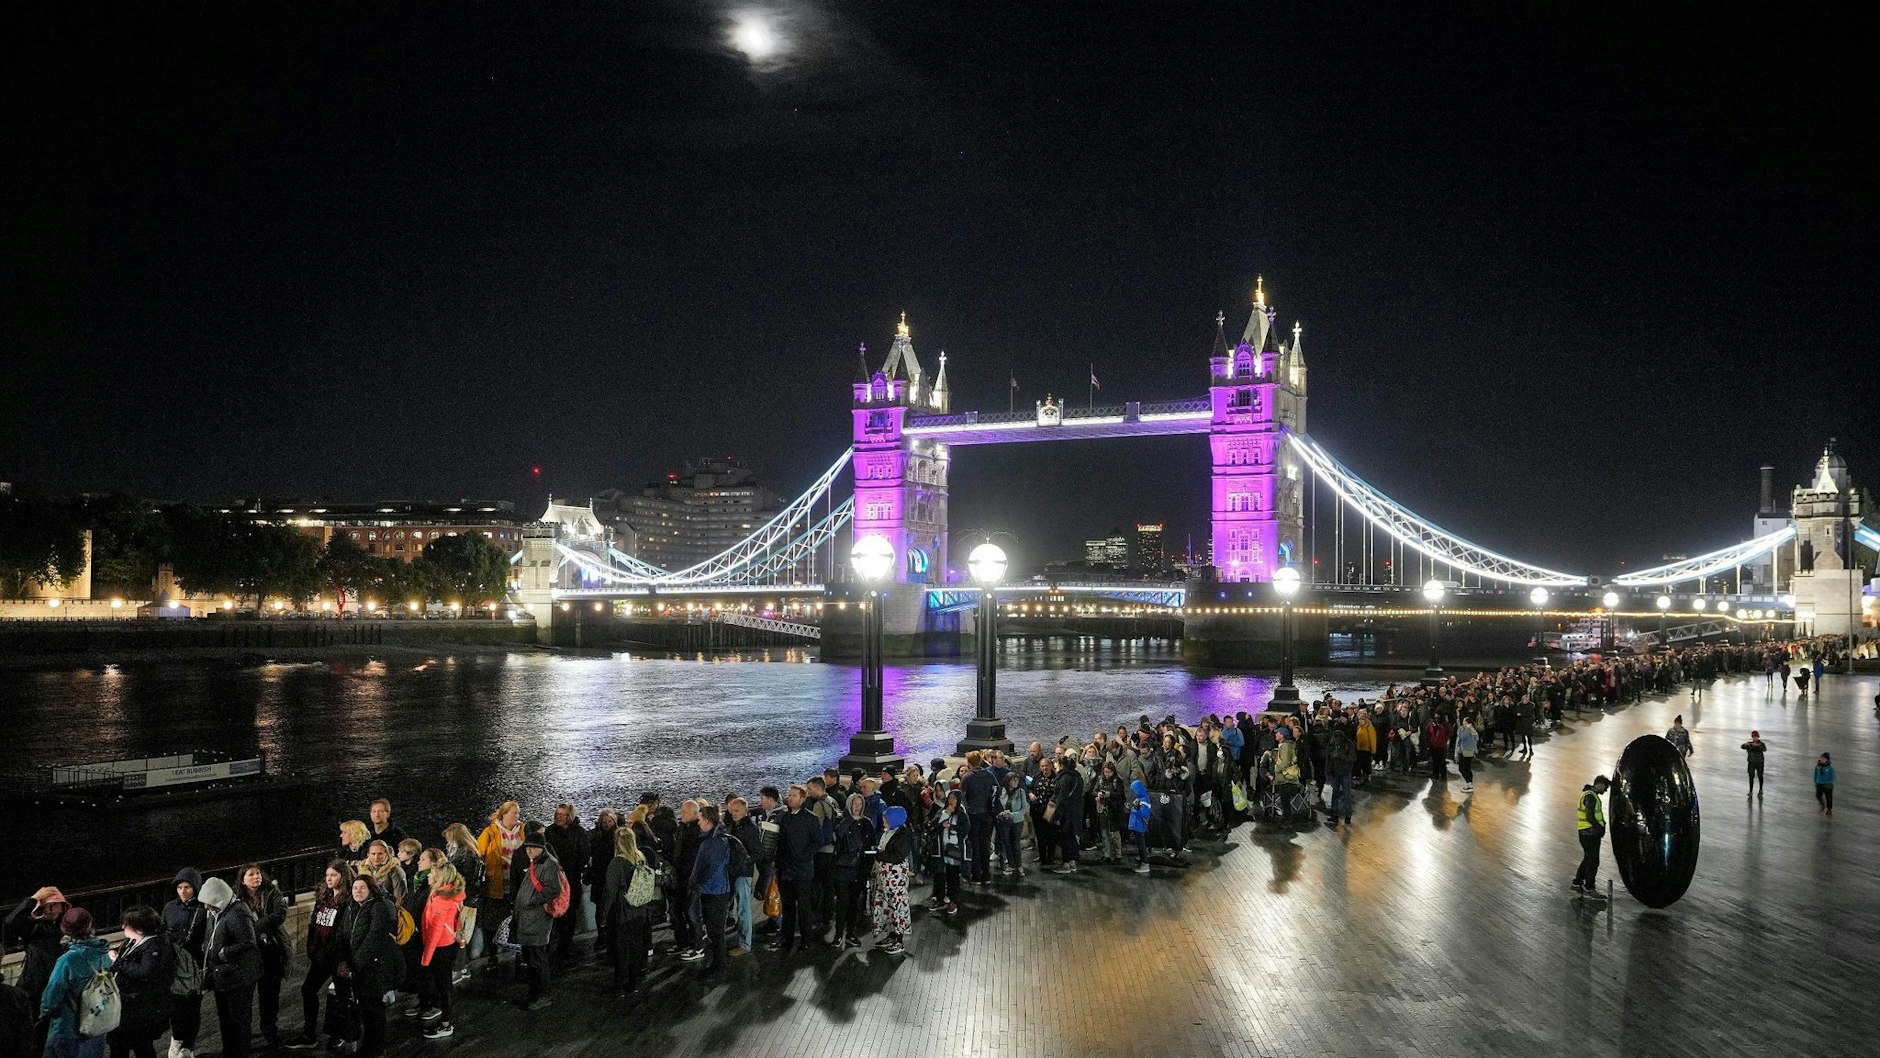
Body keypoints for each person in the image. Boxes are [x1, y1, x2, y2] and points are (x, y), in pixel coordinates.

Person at [282, 862, 353, 1052]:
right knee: (308, 990)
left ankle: (339, 1035)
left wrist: (343, 958)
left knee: (341, 995)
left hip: (339, 957)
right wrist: (312, 948)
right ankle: (309, 1034)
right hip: (321, 955)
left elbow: (344, 931)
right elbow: (315, 923)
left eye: (334, 875)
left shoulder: (349, 901)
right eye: (327, 875)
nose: (329, 879)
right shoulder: (324, 896)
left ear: (343, 877)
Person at [199, 876, 262, 1058]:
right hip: (223, 977)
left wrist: (222, 953)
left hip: (239, 978)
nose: (206, 908)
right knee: (226, 1019)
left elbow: (248, 943)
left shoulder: (238, 913)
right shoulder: (216, 911)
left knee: (238, 1020)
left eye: (209, 903)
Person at [39, 908, 114, 1058]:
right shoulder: (103, 952)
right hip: (96, 1025)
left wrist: (44, 1013)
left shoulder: (68, 960)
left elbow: (52, 994)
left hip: (68, 1028)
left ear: (65, 929)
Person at [337, 876, 398, 1057]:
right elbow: (342, 935)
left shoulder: (379, 907)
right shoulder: (351, 908)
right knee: (364, 1008)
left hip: (373, 967)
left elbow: (373, 938)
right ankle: (368, 1046)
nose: (357, 891)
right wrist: (343, 961)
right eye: (355, 888)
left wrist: (353, 964)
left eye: (362, 888)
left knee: (374, 1009)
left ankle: (377, 1048)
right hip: (356, 968)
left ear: (371, 889)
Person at [5, 884, 67, 1052]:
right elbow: (11, 921)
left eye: (57, 905)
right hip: (33, 985)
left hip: (55, 986)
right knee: (31, 1030)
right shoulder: (34, 927)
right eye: (50, 906)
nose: (54, 910)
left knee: (48, 1033)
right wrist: (33, 899)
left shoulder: (64, 927)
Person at [108, 906, 175, 1058]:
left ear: (139, 928)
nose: (123, 927)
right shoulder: (132, 942)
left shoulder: (156, 946)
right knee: (119, 1046)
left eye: (127, 924)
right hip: (126, 1006)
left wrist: (119, 962)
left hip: (140, 1009)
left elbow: (145, 972)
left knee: (141, 1046)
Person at [597, 827, 657, 996]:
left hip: (622, 912)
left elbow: (610, 891)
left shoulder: (617, 862)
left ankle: (619, 987)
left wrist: (603, 916)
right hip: (639, 910)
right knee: (636, 947)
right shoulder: (640, 857)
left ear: (617, 843)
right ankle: (634, 982)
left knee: (620, 950)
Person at [414, 850, 465, 1039]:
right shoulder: (446, 894)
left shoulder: (441, 900)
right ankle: (445, 1020)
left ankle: (446, 1024)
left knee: (444, 986)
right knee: (444, 985)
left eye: (432, 874)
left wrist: (425, 959)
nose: (428, 876)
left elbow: (435, 931)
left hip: (441, 948)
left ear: (439, 878)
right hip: (446, 946)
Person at [235, 865, 288, 1049]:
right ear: (243, 880)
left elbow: (279, 914)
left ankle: (270, 1030)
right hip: (248, 953)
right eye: (251, 874)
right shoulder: (237, 897)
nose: (256, 877)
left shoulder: (272, 891)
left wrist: (254, 927)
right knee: (245, 997)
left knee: (270, 995)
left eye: (258, 873)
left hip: (270, 950)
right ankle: (245, 1035)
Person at [161, 868, 209, 1058]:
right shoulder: (170, 907)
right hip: (176, 965)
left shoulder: (203, 908)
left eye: (187, 887)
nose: (182, 891)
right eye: (180, 887)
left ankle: (188, 1046)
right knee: (176, 1005)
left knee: (193, 1006)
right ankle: (177, 1039)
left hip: (196, 964)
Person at [511, 832, 563, 1009]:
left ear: (541, 848)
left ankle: (543, 995)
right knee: (532, 959)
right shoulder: (537, 862)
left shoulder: (548, 865)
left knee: (538, 959)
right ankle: (534, 993)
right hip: (528, 918)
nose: (528, 850)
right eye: (527, 847)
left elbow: (553, 889)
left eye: (532, 847)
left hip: (537, 918)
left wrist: (533, 902)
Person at [770, 785, 821, 953]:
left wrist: (804, 856)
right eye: (789, 795)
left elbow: (817, 842)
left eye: (793, 795)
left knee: (804, 908)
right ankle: (787, 937)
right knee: (788, 907)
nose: (789, 798)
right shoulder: (784, 817)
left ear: (802, 799)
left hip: (802, 871)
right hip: (786, 870)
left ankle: (806, 940)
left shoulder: (811, 819)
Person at [474, 801, 524, 973]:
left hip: (518, 886)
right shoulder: (490, 832)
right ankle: (492, 956)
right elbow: (478, 854)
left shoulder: (523, 831)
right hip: (496, 886)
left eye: (518, 813)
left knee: (520, 922)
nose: (517, 817)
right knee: (492, 923)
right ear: (504, 815)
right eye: (514, 813)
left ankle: (520, 955)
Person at [690, 804, 732, 979]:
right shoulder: (715, 839)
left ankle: (719, 968)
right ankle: (717, 965)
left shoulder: (714, 842)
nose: (698, 824)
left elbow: (712, 868)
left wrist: (697, 882)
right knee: (715, 932)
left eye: (699, 820)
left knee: (716, 932)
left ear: (707, 821)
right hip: (713, 890)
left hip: (714, 891)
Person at [543, 804, 588, 964]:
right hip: (555, 878)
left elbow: (583, 854)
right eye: (556, 813)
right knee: (557, 910)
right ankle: (560, 944)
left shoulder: (579, 832)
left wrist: (577, 870)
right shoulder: (549, 832)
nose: (558, 816)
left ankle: (567, 943)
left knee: (571, 911)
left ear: (569, 816)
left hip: (572, 878)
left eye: (562, 814)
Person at [866, 806, 912, 954]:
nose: (883, 821)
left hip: (895, 879)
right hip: (884, 878)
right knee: (887, 906)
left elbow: (897, 857)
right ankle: (891, 934)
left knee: (897, 906)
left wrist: (877, 854)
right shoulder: (890, 832)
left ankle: (899, 940)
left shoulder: (903, 835)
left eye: (886, 819)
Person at [830, 793, 874, 948]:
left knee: (854, 903)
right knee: (842, 902)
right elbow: (838, 834)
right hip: (843, 868)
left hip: (859, 869)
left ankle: (850, 933)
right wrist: (849, 818)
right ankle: (838, 934)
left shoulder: (867, 823)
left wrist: (868, 868)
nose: (857, 807)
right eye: (854, 804)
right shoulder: (841, 820)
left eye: (860, 804)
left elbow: (870, 846)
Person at [725, 797, 761, 956]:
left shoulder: (749, 828)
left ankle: (745, 944)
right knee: (739, 907)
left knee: (743, 909)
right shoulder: (736, 825)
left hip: (741, 873)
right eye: (732, 810)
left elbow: (757, 852)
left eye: (737, 810)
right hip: (733, 871)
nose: (733, 813)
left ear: (746, 811)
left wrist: (744, 862)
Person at [585, 810, 619, 959]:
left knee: (610, 908)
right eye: (604, 822)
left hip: (610, 877)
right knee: (601, 908)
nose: (607, 825)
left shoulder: (616, 836)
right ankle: (602, 935)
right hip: (599, 877)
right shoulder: (596, 837)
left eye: (609, 822)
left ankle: (608, 935)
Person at [1571, 775, 1612, 896]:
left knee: (1588, 858)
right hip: (1590, 833)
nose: (1605, 791)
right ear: (1599, 784)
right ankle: (1589, 887)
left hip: (1585, 832)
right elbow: (1590, 816)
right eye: (1605, 787)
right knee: (1593, 861)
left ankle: (1577, 882)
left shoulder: (1588, 794)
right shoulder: (1590, 797)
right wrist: (1600, 827)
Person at [932, 789, 969, 915]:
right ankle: (939, 897)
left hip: (954, 851)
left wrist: (951, 827)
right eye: (950, 798)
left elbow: (965, 829)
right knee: (940, 874)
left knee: (953, 876)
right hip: (941, 849)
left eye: (954, 798)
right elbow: (934, 824)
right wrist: (945, 814)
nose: (951, 801)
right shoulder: (942, 811)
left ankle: (954, 900)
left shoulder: (961, 814)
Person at [357, 841, 407, 906]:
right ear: (368, 854)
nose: (376, 857)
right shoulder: (362, 870)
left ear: (386, 854)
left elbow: (400, 897)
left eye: (380, 854)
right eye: (373, 854)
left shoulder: (395, 870)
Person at [1127, 779, 1153, 874]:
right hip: (1138, 826)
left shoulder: (1144, 800)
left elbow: (1143, 813)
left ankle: (1145, 864)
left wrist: (1133, 809)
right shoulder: (1141, 798)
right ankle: (1143, 862)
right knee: (1140, 845)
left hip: (1140, 826)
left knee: (1141, 846)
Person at [1455, 716, 1479, 794]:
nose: (1463, 723)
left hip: (1466, 751)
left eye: (1464, 721)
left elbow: (1462, 737)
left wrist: (1466, 729)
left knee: (1463, 768)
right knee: (1466, 767)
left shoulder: (1469, 730)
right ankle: (1469, 784)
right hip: (1468, 750)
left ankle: (1469, 784)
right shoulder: (1471, 730)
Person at [1741, 731, 1767, 798]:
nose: (1754, 738)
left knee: (1760, 776)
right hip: (1751, 762)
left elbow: (1764, 749)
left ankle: (1761, 789)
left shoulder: (1761, 744)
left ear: (1758, 737)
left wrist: (1758, 746)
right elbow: (1742, 746)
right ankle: (1750, 791)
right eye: (1753, 736)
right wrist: (1746, 745)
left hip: (1759, 762)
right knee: (1751, 776)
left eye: (1755, 736)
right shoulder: (1750, 744)